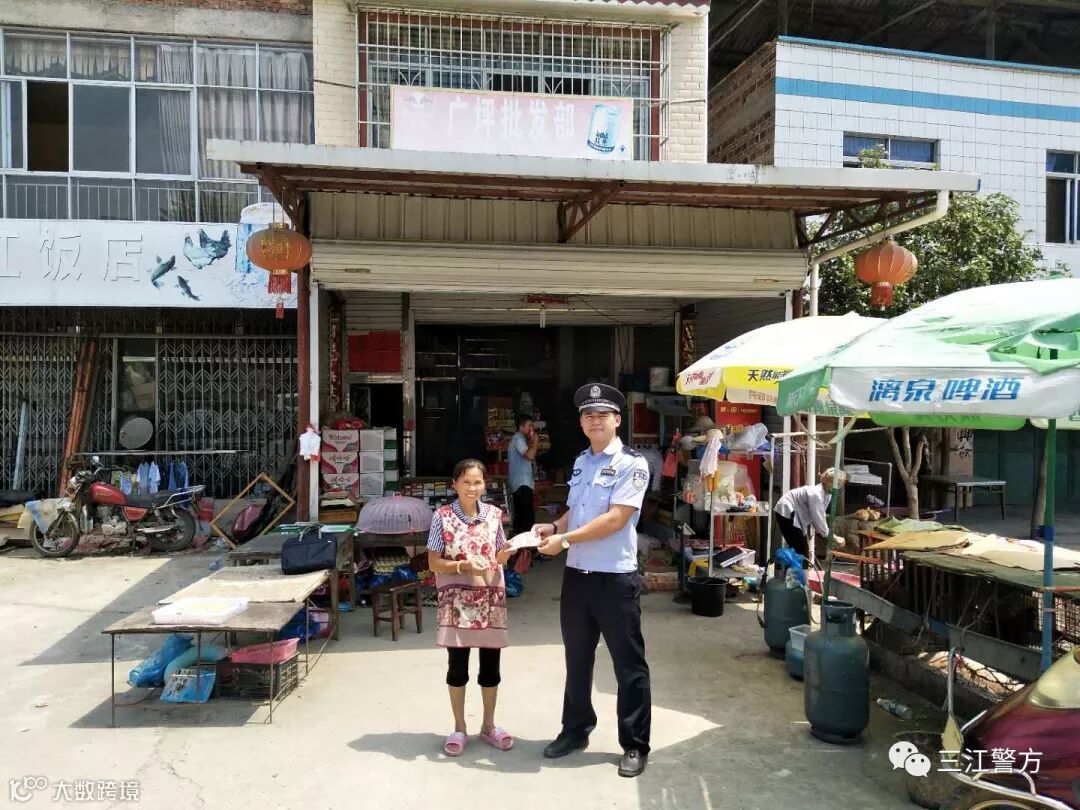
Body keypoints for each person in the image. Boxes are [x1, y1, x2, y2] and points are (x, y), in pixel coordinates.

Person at [534, 383, 652, 778]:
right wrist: (555, 526)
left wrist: (565, 540)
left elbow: (616, 519)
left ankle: (634, 743)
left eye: (602, 414)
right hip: (577, 577)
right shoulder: (582, 461)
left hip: (615, 577)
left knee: (628, 664)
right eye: (588, 415)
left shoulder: (632, 464)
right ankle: (575, 730)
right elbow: (577, 509)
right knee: (577, 658)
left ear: (617, 420)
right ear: (582, 423)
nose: (595, 420)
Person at [427, 459, 515, 757]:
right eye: (466, 482)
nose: (472, 488)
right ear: (454, 484)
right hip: (456, 602)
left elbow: (499, 554)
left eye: (477, 482)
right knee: (457, 666)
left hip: (490, 598)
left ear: (484, 484)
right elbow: (433, 562)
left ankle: (489, 725)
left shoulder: (494, 515)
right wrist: (463, 565)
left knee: (491, 666)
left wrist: (509, 552)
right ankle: (459, 727)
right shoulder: (441, 517)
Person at [773, 468, 849, 561]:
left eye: (839, 484)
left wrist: (826, 533)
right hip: (786, 509)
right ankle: (787, 566)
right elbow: (818, 519)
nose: (836, 486)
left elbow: (820, 515)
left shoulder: (827, 495)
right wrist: (833, 537)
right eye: (833, 482)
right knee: (799, 549)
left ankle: (791, 566)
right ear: (825, 481)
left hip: (796, 513)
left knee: (800, 549)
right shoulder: (816, 494)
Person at [508, 413, 538, 537]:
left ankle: (519, 543)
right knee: (527, 517)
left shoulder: (519, 439)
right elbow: (529, 455)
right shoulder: (519, 439)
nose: (531, 428)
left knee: (520, 516)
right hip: (522, 483)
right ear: (521, 426)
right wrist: (535, 442)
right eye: (529, 425)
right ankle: (529, 544)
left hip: (520, 483)